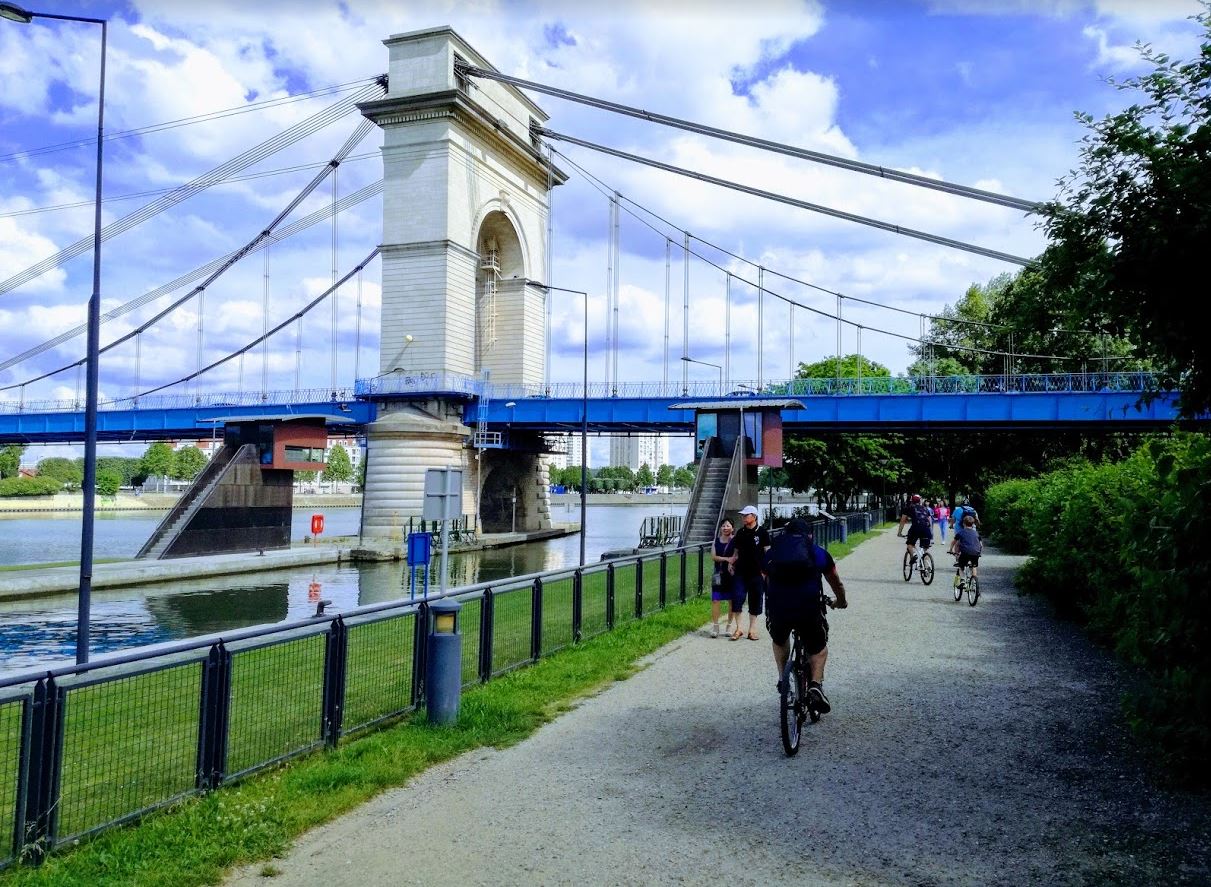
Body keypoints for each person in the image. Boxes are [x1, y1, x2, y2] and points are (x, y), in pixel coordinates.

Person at [764, 517, 848, 713]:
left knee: (779, 639)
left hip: (779, 608)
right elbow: (835, 581)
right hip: (808, 608)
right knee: (819, 649)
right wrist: (840, 601)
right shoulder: (818, 553)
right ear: (810, 535)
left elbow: (764, 581)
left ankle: (783, 678)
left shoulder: (772, 554)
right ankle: (815, 686)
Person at [732, 505, 769, 640]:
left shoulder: (762, 532)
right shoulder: (740, 533)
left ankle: (752, 630)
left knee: (755, 600)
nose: (743, 518)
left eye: (746, 515)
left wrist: (766, 571)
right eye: (743, 515)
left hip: (757, 573)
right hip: (741, 572)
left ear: (754, 516)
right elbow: (736, 551)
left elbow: (767, 552)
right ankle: (738, 628)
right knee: (737, 598)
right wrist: (732, 563)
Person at [710, 518, 739, 638]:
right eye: (723, 526)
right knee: (715, 600)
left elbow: (736, 555)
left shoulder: (735, 541)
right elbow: (713, 556)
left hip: (731, 574)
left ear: (732, 528)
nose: (725, 528)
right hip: (718, 574)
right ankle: (716, 626)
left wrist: (732, 562)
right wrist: (727, 559)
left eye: (728, 526)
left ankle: (729, 625)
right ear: (721, 528)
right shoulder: (716, 541)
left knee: (731, 601)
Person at [897, 493, 934, 563]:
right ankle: (927, 566)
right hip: (926, 529)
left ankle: (913, 555)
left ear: (911, 500)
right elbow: (929, 521)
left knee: (909, 544)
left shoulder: (909, 507)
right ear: (920, 501)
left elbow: (902, 521)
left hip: (916, 528)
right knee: (924, 550)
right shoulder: (925, 508)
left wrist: (899, 532)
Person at [949, 513, 983, 582]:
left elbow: (954, 542)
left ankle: (962, 580)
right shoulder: (976, 533)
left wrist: (950, 550)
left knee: (961, 566)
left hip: (965, 553)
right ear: (973, 524)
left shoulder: (961, 532)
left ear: (963, 524)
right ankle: (974, 581)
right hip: (975, 553)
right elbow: (981, 545)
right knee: (973, 566)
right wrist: (979, 552)